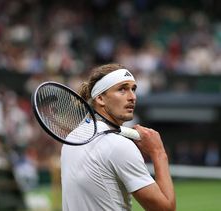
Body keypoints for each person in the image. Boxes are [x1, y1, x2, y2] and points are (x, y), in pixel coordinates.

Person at [61, 63, 176, 211]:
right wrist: (159, 152)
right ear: (100, 98)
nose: (132, 97)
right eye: (122, 89)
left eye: (133, 89)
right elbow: (166, 209)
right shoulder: (118, 145)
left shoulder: (73, 137)